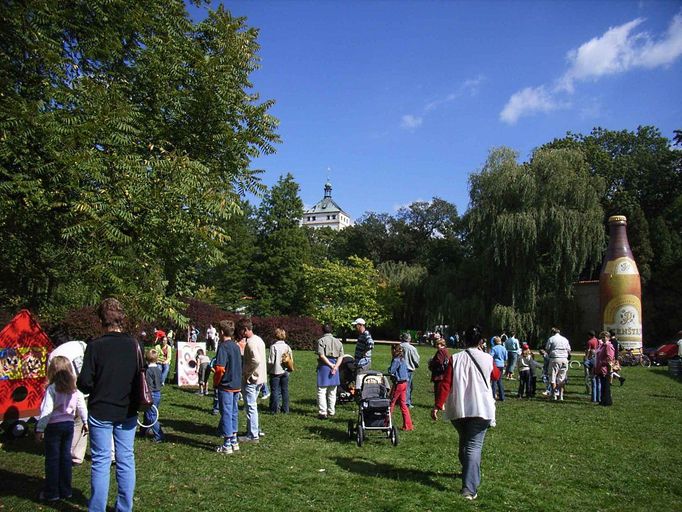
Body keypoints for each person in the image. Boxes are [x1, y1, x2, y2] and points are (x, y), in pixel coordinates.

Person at [77, 298, 139, 512]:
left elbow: (84, 383)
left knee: (102, 461)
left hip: (102, 409)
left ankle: (97, 509)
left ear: (101, 319)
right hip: (127, 409)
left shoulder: (95, 346)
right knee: (125, 459)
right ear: (121, 317)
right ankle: (124, 508)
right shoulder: (134, 345)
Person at [432, 326, 500, 501]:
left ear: (464, 341)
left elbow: (446, 383)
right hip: (480, 408)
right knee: (471, 447)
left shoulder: (455, 359)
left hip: (460, 408)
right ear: (480, 342)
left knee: (466, 446)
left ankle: (469, 482)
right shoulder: (487, 358)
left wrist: (438, 405)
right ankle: (470, 485)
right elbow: (496, 375)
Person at [35, 355, 88, 502]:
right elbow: (81, 406)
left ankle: (52, 492)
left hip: (53, 426)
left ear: (52, 371)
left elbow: (47, 410)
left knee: (52, 459)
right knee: (65, 457)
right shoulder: (75, 390)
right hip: (68, 425)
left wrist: (40, 429)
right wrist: (85, 421)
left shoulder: (52, 389)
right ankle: (66, 490)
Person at [48, 338, 88, 465]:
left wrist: (40, 427)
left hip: (57, 417)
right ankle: (75, 455)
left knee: (76, 421)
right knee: (78, 422)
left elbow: (47, 408)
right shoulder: (79, 354)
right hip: (75, 388)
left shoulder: (60, 353)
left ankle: (69, 453)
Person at [213, 320, 242, 453]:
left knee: (226, 413)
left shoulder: (223, 347)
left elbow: (220, 368)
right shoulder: (236, 346)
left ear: (221, 332)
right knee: (234, 412)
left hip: (226, 385)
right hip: (236, 384)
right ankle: (234, 440)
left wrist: (216, 381)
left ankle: (227, 443)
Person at [238, 318, 266, 443]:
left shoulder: (251, 343)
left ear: (245, 329)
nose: (240, 333)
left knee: (250, 407)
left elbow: (256, 360)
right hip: (260, 378)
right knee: (252, 405)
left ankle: (253, 435)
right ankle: (255, 429)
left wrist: (246, 374)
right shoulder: (259, 339)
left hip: (252, 379)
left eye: (241, 330)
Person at [316, 324, 344, 419]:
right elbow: (341, 356)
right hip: (335, 365)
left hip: (324, 366)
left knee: (322, 391)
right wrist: (335, 366)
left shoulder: (321, 341)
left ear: (323, 331)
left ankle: (323, 412)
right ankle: (331, 411)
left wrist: (330, 365)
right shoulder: (338, 342)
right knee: (333, 390)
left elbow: (321, 355)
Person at [387, 344, 414, 431]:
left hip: (398, 384)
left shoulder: (396, 360)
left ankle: (386, 422)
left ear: (394, 351)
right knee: (403, 404)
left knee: (391, 403)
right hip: (405, 383)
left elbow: (391, 371)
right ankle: (408, 425)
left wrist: (389, 369)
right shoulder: (403, 359)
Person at [140, 349, 164, 443]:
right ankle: (143, 430)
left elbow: (148, 385)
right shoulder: (158, 369)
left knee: (151, 416)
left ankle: (159, 435)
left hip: (151, 394)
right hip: (158, 393)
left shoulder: (148, 371)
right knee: (149, 413)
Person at [268, 328, 293, 414]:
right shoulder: (287, 346)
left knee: (275, 390)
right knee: (284, 390)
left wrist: (268, 369)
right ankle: (286, 409)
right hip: (285, 371)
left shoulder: (274, 347)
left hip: (275, 371)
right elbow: (291, 359)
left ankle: (274, 409)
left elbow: (271, 361)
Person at [545, 327, 571, 401]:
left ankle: (553, 395)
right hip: (564, 359)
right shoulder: (565, 339)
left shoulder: (551, 339)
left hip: (555, 358)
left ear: (552, 332)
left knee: (552, 377)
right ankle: (561, 396)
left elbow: (547, 349)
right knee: (561, 378)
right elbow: (569, 350)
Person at [595, 331, 616, 406]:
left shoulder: (608, 346)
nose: (603, 338)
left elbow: (609, 358)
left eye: (605, 337)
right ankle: (603, 400)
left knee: (606, 385)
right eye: (602, 337)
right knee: (603, 385)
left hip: (605, 369)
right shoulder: (602, 345)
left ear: (608, 338)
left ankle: (607, 401)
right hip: (600, 368)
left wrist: (602, 362)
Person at [400, 332, 420, 408]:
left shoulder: (399, 346)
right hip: (408, 369)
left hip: (400, 368)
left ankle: (399, 399)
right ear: (409, 339)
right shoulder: (412, 348)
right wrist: (416, 365)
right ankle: (406, 402)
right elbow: (416, 359)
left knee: (399, 385)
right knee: (408, 386)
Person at [489, 336, 507, 401]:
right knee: (500, 380)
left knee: (494, 381)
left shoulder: (493, 348)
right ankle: (502, 397)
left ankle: (493, 396)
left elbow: (490, 356)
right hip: (501, 365)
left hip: (495, 365)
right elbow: (506, 358)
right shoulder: (504, 348)